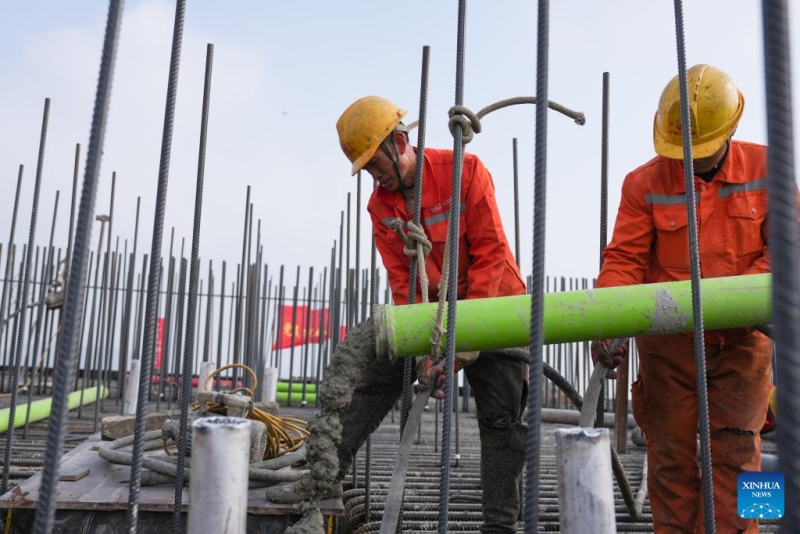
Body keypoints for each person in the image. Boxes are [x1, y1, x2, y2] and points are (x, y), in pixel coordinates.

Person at [267, 95, 529, 533]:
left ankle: (500, 525)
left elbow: (491, 252)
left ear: (400, 142)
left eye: (375, 163)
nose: (375, 175)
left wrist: (468, 336)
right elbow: (405, 282)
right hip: (431, 312)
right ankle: (323, 475)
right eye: (366, 168)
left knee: (502, 419)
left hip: (495, 305)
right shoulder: (380, 206)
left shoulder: (465, 171)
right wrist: (426, 352)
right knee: (373, 378)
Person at [592, 64, 773, 533]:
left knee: (744, 454)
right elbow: (624, 260)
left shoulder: (769, 171)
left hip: (744, 343)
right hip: (669, 345)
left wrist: (737, 302)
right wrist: (607, 321)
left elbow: (786, 253)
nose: (691, 160)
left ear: (730, 130)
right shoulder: (643, 183)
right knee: (668, 455)